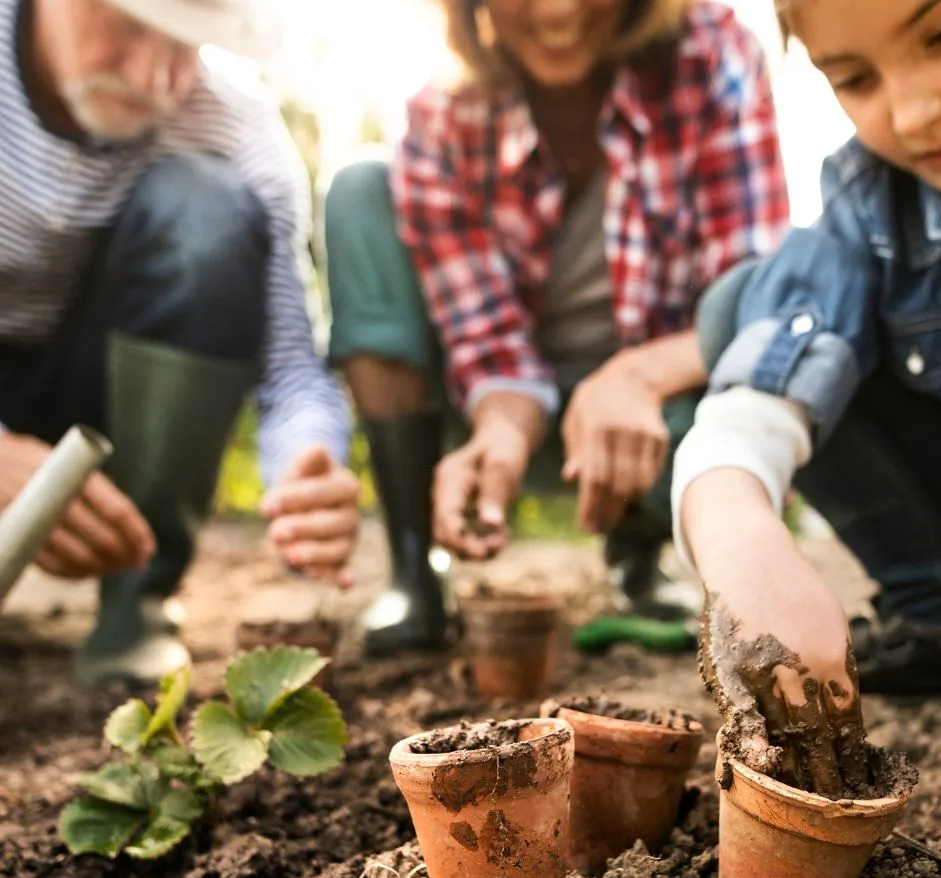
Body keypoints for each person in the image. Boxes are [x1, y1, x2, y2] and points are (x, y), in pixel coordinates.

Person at [673, 0, 941, 778]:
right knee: (743, 308)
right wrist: (742, 546)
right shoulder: (868, 194)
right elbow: (756, 396)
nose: (914, 111)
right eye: (854, 78)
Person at [324, 0, 789, 656]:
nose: (559, 8)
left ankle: (641, 549)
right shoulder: (442, 115)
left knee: (770, 378)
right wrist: (503, 430)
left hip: (664, 415)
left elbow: (752, 298)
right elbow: (487, 342)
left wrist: (635, 378)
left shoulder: (711, 52)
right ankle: (412, 561)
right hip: (515, 419)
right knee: (359, 190)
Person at [0, 0, 360, 688]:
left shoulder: (236, 130)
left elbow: (292, 373)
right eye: (131, 24)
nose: (157, 76)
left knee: (206, 208)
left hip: (106, 396)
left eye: (191, 43)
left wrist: (306, 465)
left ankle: (138, 604)